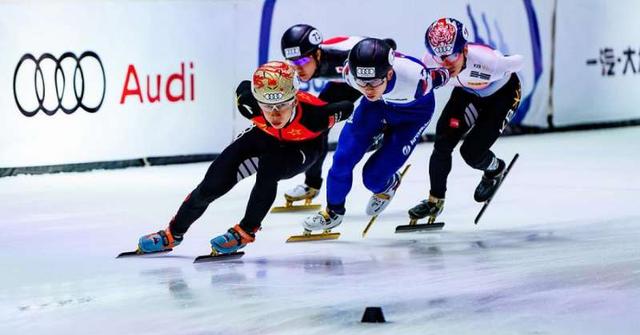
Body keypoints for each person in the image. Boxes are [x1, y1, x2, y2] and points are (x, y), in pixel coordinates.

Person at [136, 61, 354, 255]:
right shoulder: (247, 102)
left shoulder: (316, 116)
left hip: (302, 147)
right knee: (210, 185)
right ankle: (173, 234)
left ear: (295, 99)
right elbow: (244, 87)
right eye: (267, 106)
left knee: (270, 169)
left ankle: (246, 230)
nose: (275, 114)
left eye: (283, 105)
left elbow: (349, 106)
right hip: (264, 137)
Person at [302, 38, 450, 232]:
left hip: (413, 117)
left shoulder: (417, 79)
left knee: (372, 178)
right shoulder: (349, 73)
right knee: (342, 159)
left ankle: (388, 185)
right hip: (376, 107)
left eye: (373, 82)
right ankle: (333, 212)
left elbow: (447, 74)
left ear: (389, 73)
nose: (367, 89)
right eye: (362, 83)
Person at [407, 17, 523, 223]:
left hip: (502, 95)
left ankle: (495, 170)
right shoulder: (430, 62)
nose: (445, 63)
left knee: (471, 153)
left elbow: (518, 61)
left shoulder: (490, 63)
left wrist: (501, 62)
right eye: (439, 56)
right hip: (468, 93)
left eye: (452, 55)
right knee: (442, 143)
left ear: (466, 50)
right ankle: (435, 201)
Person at [279, 24, 395, 206]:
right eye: (292, 62)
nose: (298, 68)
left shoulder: (340, 56)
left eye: (301, 61)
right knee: (317, 126)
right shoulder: (303, 66)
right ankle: (312, 184)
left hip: (370, 81)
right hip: (343, 83)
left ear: (317, 54)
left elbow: (388, 45)